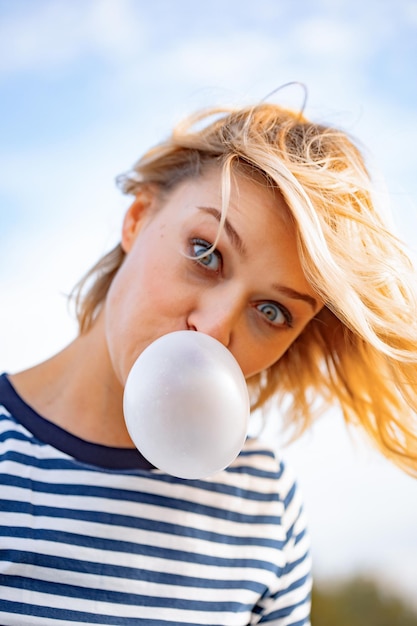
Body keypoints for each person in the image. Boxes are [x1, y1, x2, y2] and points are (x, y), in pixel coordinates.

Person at [1, 99, 416, 626]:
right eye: (206, 253)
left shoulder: (263, 506)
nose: (217, 330)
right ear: (137, 218)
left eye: (272, 311)